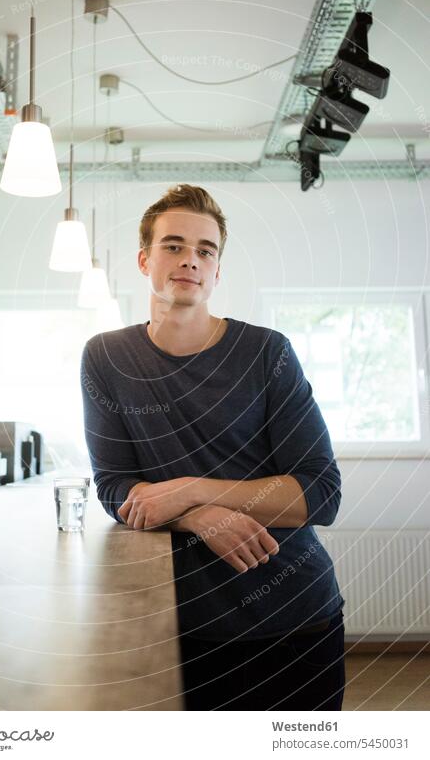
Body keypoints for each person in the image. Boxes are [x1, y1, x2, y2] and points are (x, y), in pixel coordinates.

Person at [80, 184, 346, 710]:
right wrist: (195, 514)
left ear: (217, 270)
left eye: (206, 250)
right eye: (173, 245)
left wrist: (189, 490)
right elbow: (114, 485)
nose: (190, 260)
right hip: (182, 625)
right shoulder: (106, 357)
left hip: (294, 620)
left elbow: (321, 493)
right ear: (144, 260)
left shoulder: (266, 352)